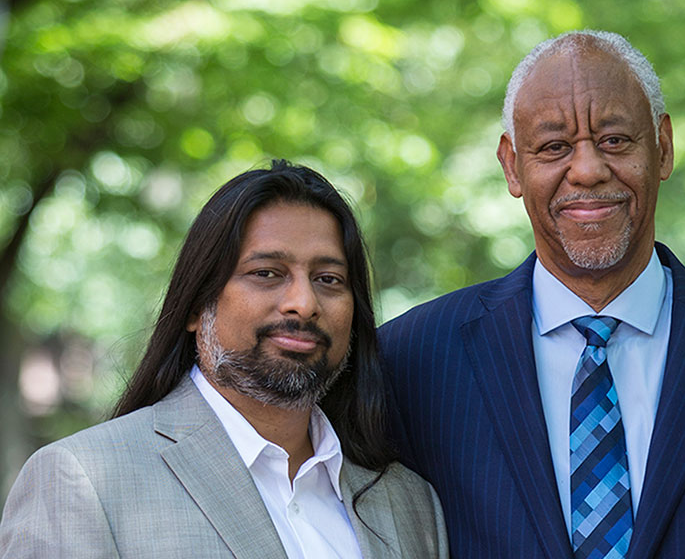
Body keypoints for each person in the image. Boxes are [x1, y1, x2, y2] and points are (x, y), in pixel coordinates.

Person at [377, 30, 685, 558]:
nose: (586, 170)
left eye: (614, 140)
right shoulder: (409, 362)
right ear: (512, 166)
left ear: (663, 148)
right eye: (554, 147)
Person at [0, 161, 447, 558]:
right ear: (197, 305)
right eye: (266, 273)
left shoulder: (407, 502)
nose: (303, 303)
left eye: (329, 279)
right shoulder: (82, 481)